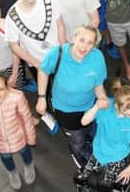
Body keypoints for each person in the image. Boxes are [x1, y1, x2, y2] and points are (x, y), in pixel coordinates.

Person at [36, 25, 107, 168]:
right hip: (65, 111)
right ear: (74, 38)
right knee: (77, 140)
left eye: (90, 43)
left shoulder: (97, 56)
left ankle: (89, 147)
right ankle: (79, 156)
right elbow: (43, 71)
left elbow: (99, 84)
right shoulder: (58, 53)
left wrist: (102, 97)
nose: (85, 47)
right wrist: (41, 97)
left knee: (91, 132)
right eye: (82, 40)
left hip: (89, 106)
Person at [77, 85, 130, 190]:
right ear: (116, 106)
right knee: (81, 180)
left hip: (117, 158)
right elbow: (84, 121)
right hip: (98, 153)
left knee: (105, 187)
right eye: (126, 109)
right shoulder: (106, 107)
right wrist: (96, 106)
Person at [5, 0, 64, 77]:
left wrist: (63, 51)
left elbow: (60, 25)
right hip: (36, 63)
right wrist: (36, 63)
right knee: (45, 92)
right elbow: (14, 46)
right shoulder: (12, 15)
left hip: (58, 56)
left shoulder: (49, 0)